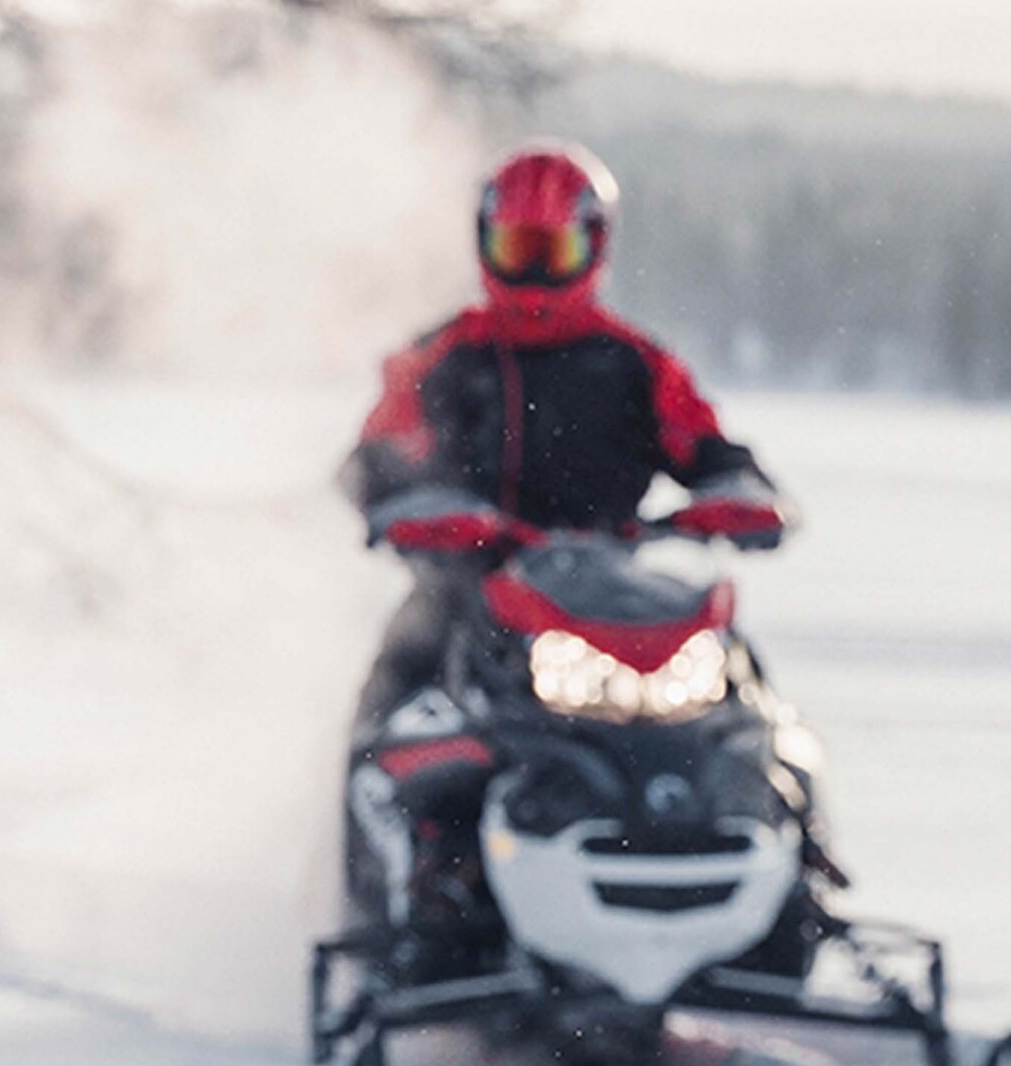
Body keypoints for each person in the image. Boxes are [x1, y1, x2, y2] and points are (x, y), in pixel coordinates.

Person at [334, 142, 789, 965]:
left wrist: (739, 494)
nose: (535, 276)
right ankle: (387, 912)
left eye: (553, 254)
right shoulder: (447, 357)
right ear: (485, 248)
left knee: (747, 698)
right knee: (387, 706)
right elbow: (376, 451)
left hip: (607, 590)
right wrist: (410, 502)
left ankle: (799, 870)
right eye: (519, 253)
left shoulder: (633, 363)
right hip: (468, 583)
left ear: (593, 248)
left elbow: (706, 443)